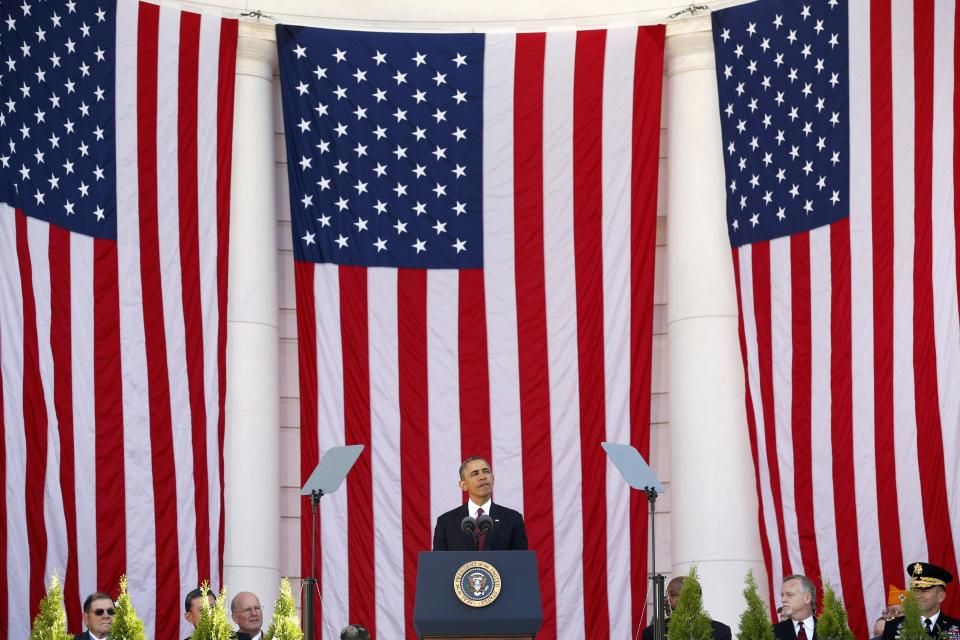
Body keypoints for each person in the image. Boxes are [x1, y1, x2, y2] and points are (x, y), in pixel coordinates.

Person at [432, 456, 528, 551]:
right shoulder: (446, 522)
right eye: (475, 473)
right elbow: (438, 563)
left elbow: (520, 562)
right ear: (463, 485)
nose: (482, 477)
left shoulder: (512, 519)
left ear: (493, 478)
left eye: (486, 471)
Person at [882, 562, 960, 640]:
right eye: (915, 590)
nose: (918, 596)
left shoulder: (956, 628)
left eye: (925, 590)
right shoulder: (893, 626)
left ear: (940, 596)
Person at [641, 576, 732, 640]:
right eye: (666, 595)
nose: (666, 599)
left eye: (672, 595)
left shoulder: (720, 632)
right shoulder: (651, 633)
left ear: (691, 600)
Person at [774, 575, 817, 640]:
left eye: (789, 594)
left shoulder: (832, 629)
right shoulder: (772, 632)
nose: (783, 600)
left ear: (807, 598)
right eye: (782, 595)